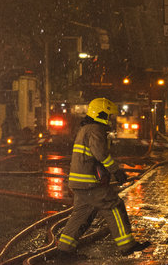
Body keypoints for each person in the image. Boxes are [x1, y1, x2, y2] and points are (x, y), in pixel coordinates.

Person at [56, 97, 141, 254]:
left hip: (79, 183)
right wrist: (116, 171)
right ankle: (127, 245)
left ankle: (64, 248)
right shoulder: (95, 129)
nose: (111, 119)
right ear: (101, 114)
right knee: (114, 205)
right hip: (90, 183)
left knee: (81, 214)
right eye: (109, 115)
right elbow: (100, 154)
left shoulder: (86, 129)